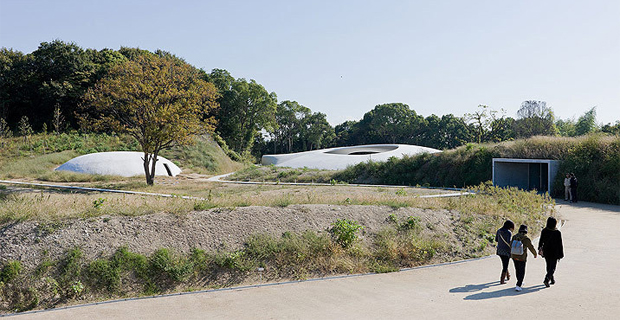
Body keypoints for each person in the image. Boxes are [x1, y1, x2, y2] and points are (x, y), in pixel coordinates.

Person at [538, 217, 564, 287]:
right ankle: (547, 279)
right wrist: (561, 254)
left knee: (548, 265)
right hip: (554, 252)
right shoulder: (557, 233)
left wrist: (539, 248)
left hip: (546, 251)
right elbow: (560, 244)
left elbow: (541, 241)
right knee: (552, 267)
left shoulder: (544, 231)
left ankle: (552, 279)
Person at [511, 224, 537, 291]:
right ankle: (518, 285)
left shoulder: (514, 237)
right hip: (522, 257)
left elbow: (510, 245)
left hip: (514, 256)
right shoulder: (526, 239)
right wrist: (535, 254)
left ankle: (519, 281)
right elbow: (531, 247)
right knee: (522, 271)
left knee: (517, 269)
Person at [495, 220, 515, 284]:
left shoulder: (499, 231)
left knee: (504, 263)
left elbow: (496, 240)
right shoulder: (508, 232)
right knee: (505, 265)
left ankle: (508, 276)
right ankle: (502, 280)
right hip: (506, 251)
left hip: (499, 250)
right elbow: (509, 242)